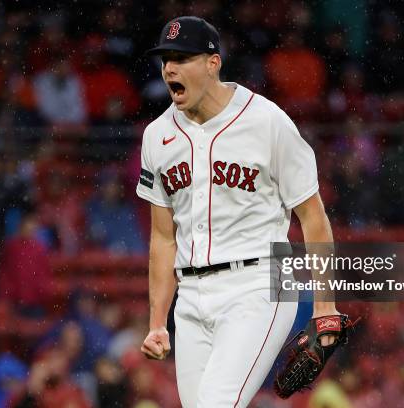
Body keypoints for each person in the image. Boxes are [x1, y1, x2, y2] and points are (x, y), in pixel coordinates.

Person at [136, 16, 339, 407]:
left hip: (259, 282)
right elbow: (163, 237)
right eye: (165, 60)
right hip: (191, 298)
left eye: (182, 58)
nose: (170, 69)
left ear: (213, 63)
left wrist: (325, 307)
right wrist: (158, 321)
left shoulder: (267, 122)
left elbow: (312, 216)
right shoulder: (156, 137)